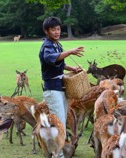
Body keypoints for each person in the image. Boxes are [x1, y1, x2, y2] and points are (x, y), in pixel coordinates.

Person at [39, 17, 84, 154]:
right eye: (53, 29)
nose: (57, 32)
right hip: (52, 90)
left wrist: (72, 69)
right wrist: (70, 52)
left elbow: (61, 63)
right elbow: (50, 58)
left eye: (58, 29)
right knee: (59, 124)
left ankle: (58, 152)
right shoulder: (47, 45)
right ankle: (58, 154)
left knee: (61, 123)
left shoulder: (56, 44)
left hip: (60, 87)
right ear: (47, 31)